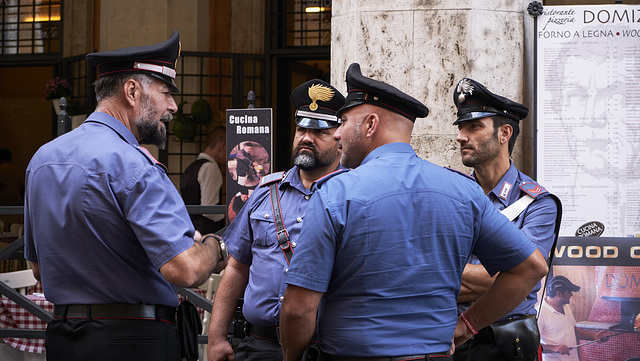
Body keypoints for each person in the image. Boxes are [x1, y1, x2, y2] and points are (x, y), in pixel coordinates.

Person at [279, 63, 549, 361]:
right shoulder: (464, 191)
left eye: (343, 122)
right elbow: (530, 268)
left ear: (370, 125)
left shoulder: (335, 194)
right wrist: (466, 325)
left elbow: (298, 309)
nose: (338, 134)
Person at [23, 31, 226, 361]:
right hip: (133, 340)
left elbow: (38, 270)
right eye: (165, 93)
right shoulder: (134, 164)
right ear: (132, 91)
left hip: (65, 338)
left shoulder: (42, 160)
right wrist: (217, 247)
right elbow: (186, 270)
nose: (173, 106)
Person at [207, 78, 346, 361]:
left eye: (318, 131)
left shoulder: (353, 195)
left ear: (339, 137)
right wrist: (217, 336)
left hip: (326, 349)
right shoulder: (266, 191)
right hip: (259, 345)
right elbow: (236, 268)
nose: (306, 138)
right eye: (301, 129)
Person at [452, 78, 562, 361]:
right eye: (461, 127)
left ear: (504, 133)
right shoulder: (451, 195)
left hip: (505, 344)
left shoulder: (538, 204)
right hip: (450, 340)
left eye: (474, 127)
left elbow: (518, 276)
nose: (461, 136)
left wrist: (445, 272)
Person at [538, 276, 607, 361]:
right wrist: (555, 348)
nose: (571, 294)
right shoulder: (540, 312)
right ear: (559, 293)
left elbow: (573, 331)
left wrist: (594, 336)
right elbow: (533, 345)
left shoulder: (566, 306)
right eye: (569, 292)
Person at [181, 126, 227, 234]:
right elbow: (209, 210)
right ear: (222, 146)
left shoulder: (191, 168)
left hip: (190, 231)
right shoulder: (211, 168)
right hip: (207, 234)